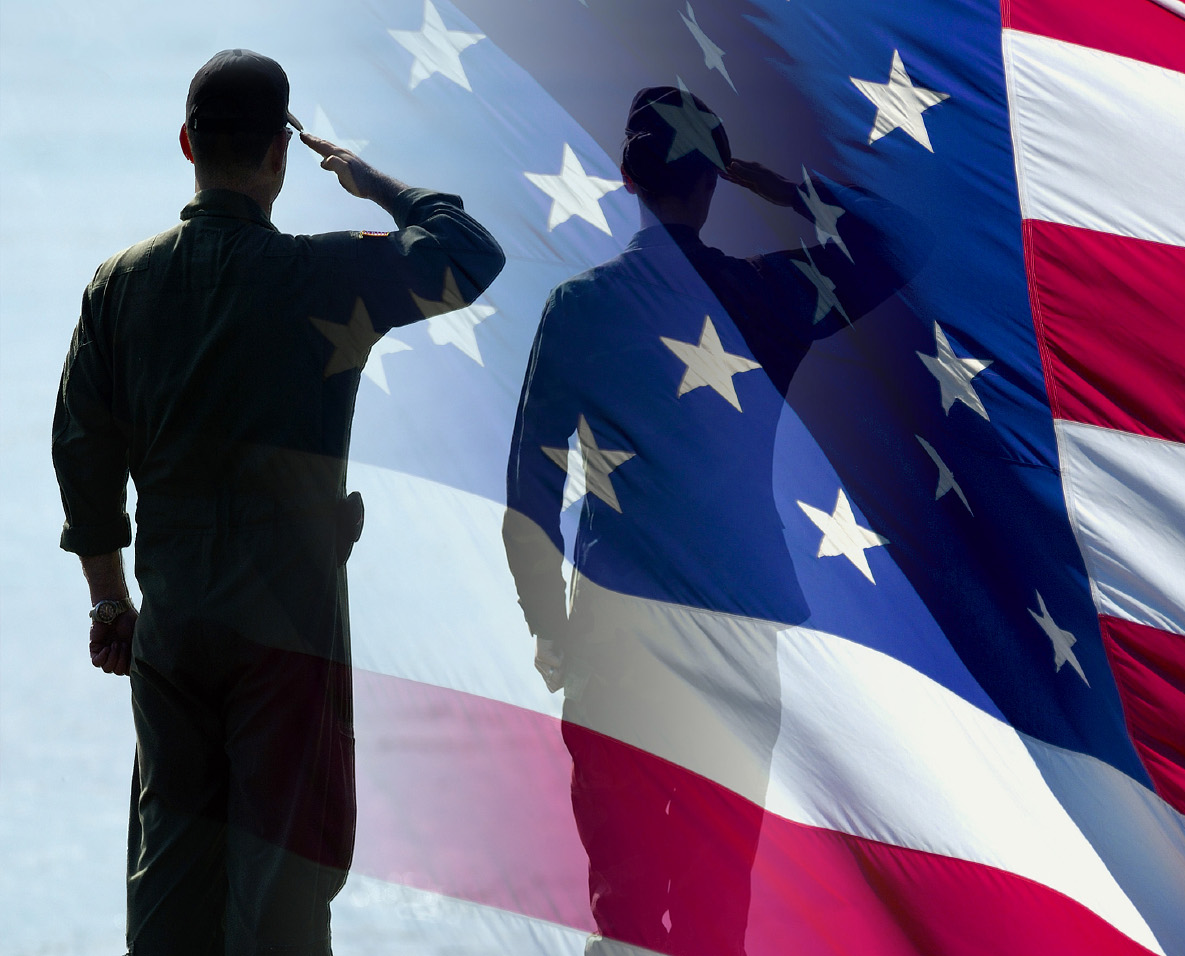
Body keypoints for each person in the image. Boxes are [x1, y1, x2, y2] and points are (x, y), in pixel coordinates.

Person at [51, 49, 504, 954]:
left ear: (186, 143)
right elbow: (471, 253)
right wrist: (375, 182)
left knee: (172, 891)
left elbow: (81, 457)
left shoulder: (117, 287)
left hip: (173, 628)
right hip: (288, 635)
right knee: (283, 897)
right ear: (279, 158)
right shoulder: (326, 276)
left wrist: (111, 601)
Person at [503, 86, 923, 955]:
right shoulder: (768, 294)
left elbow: (530, 498)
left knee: (623, 908)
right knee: (714, 908)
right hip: (738, 635)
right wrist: (779, 187)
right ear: (712, 181)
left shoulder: (578, 309)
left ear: (626, 176)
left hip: (615, 639)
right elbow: (897, 243)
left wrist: (551, 630)